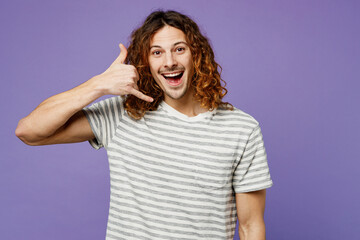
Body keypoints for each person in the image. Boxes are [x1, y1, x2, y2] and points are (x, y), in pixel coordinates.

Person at [16, 10, 273, 240]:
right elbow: (29, 131)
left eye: (179, 49)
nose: (169, 61)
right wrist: (98, 85)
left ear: (197, 55)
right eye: (157, 52)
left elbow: (251, 226)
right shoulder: (122, 114)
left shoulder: (241, 129)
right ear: (146, 63)